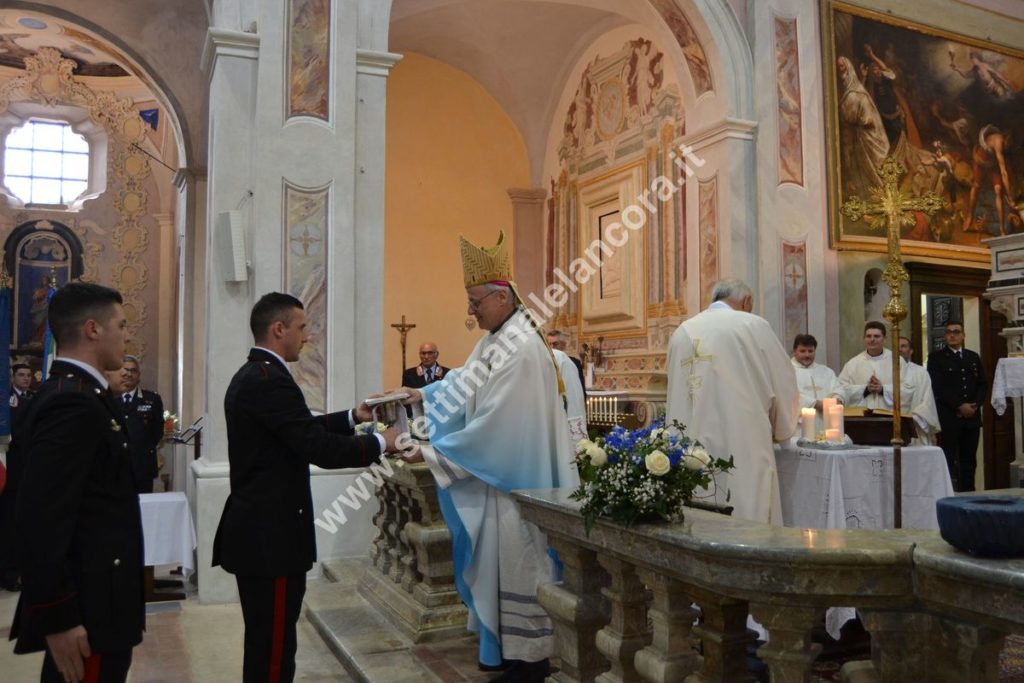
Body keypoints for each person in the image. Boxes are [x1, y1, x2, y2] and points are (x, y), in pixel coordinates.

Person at [399, 232, 578, 682]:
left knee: (520, 567)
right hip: (501, 484)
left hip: (518, 487)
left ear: (501, 297)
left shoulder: (519, 347)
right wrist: (420, 393)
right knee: (503, 571)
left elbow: (499, 428)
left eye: (475, 300)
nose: (469, 310)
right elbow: (464, 383)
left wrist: (434, 451)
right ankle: (511, 658)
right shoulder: (500, 337)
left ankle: (529, 662)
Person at [213, 292, 404, 683]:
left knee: (269, 644)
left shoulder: (257, 374)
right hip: (272, 542)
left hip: (261, 536)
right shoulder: (269, 381)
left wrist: (353, 417)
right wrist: (386, 442)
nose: (308, 336)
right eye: (302, 327)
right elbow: (316, 448)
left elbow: (297, 430)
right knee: (273, 652)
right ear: (278, 328)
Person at [9, 282, 141, 683]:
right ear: (92, 329)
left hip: (101, 598)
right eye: (121, 324)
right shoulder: (73, 402)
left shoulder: (80, 394)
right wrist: (59, 616)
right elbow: (42, 518)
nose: (127, 334)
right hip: (89, 606)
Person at [665, 278, 799, 525]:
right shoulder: (753, 325)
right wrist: (783, 428)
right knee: (747, 509)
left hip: (688, 447)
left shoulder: (682, 332)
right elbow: (783, 380)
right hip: (743, 441)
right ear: (747, 301)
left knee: (697, 515)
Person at [927, 321, 986, 491]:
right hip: (949, 417)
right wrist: (959, 406)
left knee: (969, 460)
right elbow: (937, 386)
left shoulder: (972, 357)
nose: (952, 335)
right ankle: (950, 494)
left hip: (972, 419)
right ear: (945, 336)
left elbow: (982, 384)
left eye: (956, 332)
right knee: (948, 458)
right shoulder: (936, 358)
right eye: (949, 332)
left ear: (963, 335)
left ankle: (969, 494)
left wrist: (975, 405)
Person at [0, 362, 35, 592]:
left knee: (17, 526)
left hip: (24, 470)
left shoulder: (34, 398)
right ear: (11, 377)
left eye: (28, 375)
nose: (25, 378)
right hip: (8, 468)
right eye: (21, 375)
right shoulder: (5, 401)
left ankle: (16, 572)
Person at [837, 55, 889, 192]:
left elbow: (856, 113)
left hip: (868, 134)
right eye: (838, 67)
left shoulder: (854, 93)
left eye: (842, 67)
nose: (839, 70)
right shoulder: (851, 90)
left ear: (848, 69)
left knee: (875, 167)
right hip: (859, 133)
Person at [119, 355, 165, 494]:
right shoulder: (109, 397)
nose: (129, 374)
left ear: (138, 374)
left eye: (133, 371)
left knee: (144, 508)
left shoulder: (152, 399)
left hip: (142, 467)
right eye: (125, 370)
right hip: (116, 467)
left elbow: (157, 432)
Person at [834, 321, 895, 409]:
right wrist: (866, 389)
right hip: (861, 416)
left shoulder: (896, 361)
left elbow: (907, 389)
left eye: (876, 336)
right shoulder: (853, 363)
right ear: (864, 339)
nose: (872, 339)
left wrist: (883, 389)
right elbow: (841, 388)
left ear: (885, 339)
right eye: (868, 336)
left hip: (889, 416)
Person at [897, 336, 941, 445]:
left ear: (911, 351)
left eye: (903, 346)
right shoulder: (886, 371)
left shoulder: (921, 373)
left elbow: (928, 400)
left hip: (916, 426)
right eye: (896, 347)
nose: (899, 349)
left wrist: (914, 418)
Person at [791, 334, 838, 413]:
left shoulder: (827, 372)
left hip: (825, 421)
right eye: (803, 351)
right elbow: (789, 396)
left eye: (810, 351)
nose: (807, 355)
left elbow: (838, 390)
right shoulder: (787, 371)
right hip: (799, 423)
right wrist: (815, 403)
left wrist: (837, 399)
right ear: (795, 352)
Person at [546, 329, 586, 397]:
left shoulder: (575, 363)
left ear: (563, 345)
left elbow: (580, 389)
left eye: (555, 344)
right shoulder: (544, 362)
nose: (552, 347)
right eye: (549, 344)